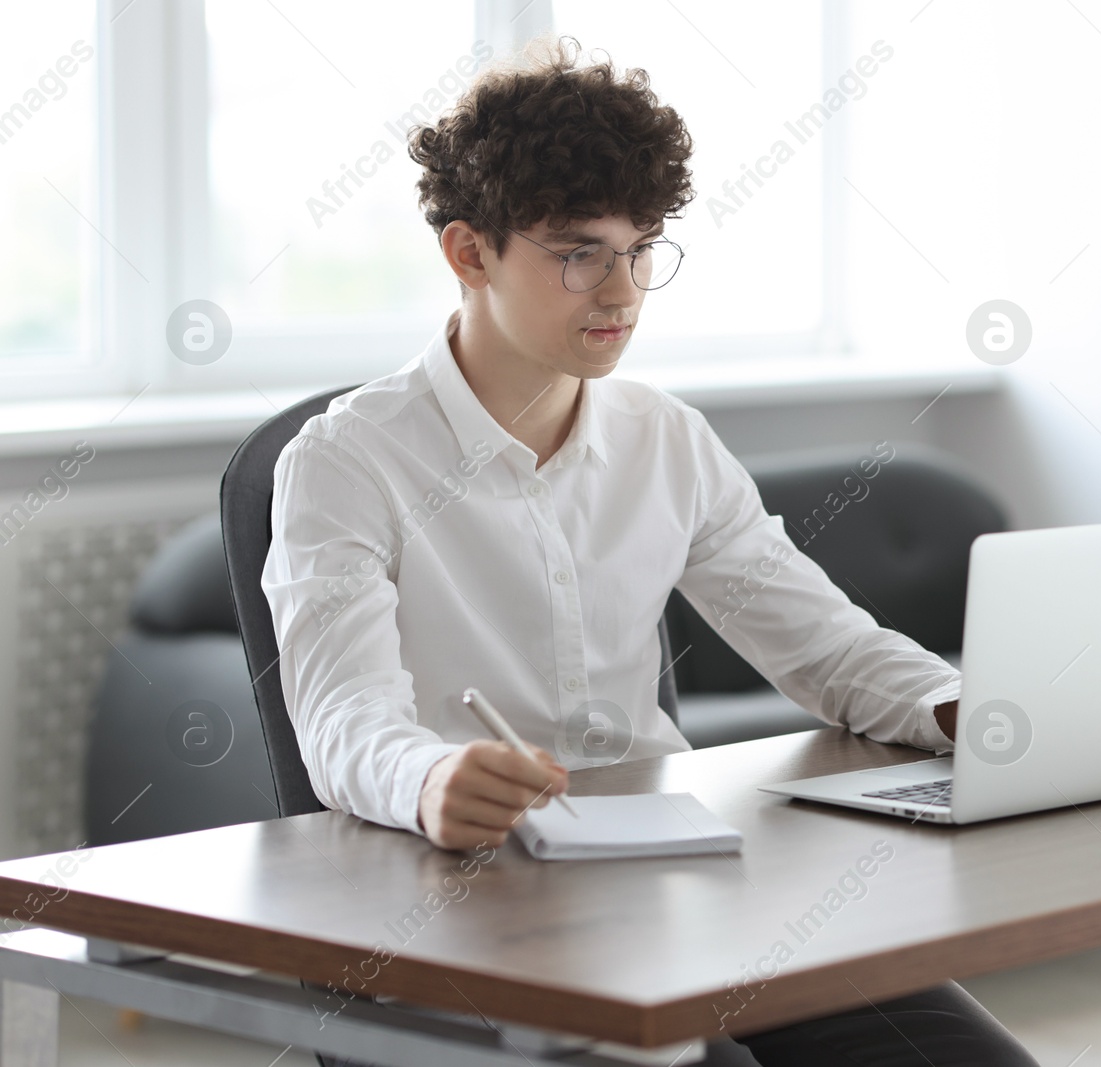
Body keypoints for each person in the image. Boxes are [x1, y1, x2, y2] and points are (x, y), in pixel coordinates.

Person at [262, 37, 1038, 1067]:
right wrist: (429, 777)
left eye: (642, 249)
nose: (621, 289)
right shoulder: (346, 459)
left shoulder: (663, 437)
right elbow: (343, 719)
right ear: (468, 252)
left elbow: (827, 647)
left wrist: (960, 712)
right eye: (577, 252)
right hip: (464, 913)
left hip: (674, 891)